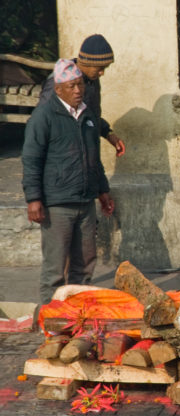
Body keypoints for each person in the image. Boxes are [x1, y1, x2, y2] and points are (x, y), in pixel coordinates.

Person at [22, 59, 115, 304]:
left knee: (84, 266)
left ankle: (79, 318)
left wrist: (103, 191)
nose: (78, 90)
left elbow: (94, 158)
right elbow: (31, 159)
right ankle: (48, 322)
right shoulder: (43, 117)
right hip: (57, 204)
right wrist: (34, 199)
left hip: (85, 201)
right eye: (72, 86)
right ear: (58, 89)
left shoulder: (88, 116)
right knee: (54, 269)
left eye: (80, 85)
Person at [38, 34, 125, 157]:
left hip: (88, 154)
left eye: (105, 68)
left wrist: (107, 132)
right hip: (66, 158)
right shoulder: (59, 82)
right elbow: (42, 123)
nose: (102, 73)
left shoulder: (92, 79)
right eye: (99, 68)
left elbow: (90, 114)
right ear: (86, 63)